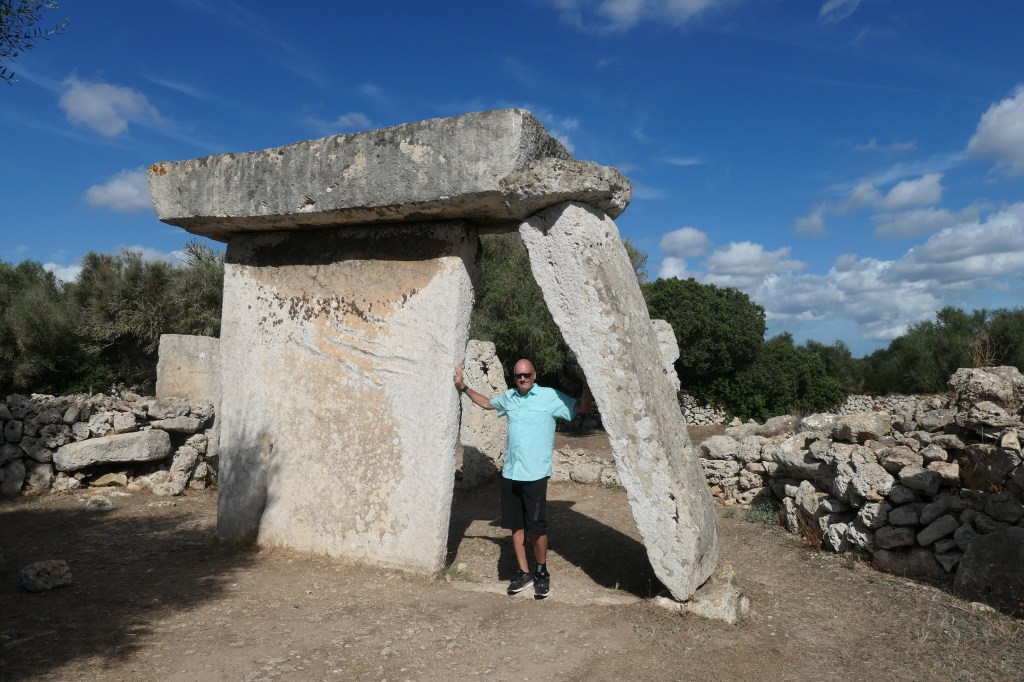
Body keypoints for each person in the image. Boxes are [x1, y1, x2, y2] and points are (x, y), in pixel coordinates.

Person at [454, 358, 592, 598]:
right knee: (516, 525)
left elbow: (581, 408)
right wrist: (463, 387)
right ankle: (524, 572)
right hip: (510, 474)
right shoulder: (510, 397)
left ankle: (541, 572)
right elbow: (486, 403)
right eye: (519, 375)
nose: (523, 378)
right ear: (515, 378)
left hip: (535, 475)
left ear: (534, 375)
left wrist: (588, 385)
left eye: (527, 374)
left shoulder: (549, 397)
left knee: (537, 528)